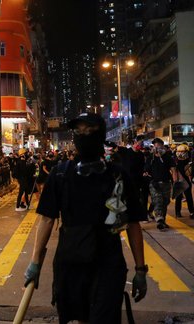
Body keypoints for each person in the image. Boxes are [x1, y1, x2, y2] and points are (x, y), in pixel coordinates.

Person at [24, 113, 147, 324]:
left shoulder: (117, 175)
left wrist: (140, 269)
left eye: (89, 131)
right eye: (79, 131)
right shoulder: (60, 174)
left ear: (100, 135)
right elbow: (46, 219)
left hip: (108, 264)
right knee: (78, 317)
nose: (83, 135)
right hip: (71, 263)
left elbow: (133, 223)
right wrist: (35, 263)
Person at [144, 137, 177, 230]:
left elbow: (173, 169)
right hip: (154, 183)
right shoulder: (151, 158)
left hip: (166, 183)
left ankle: (163, 221)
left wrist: (175, 180)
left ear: (162, 146)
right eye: (155, 146)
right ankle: (159, 220)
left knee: (165, 202)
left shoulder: (167, 157)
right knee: (158, 201)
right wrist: (146, 173)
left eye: (158, 145)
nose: (156, 147)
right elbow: (146, 169)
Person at [174, 144, 194, 218]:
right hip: (179, 181)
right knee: (182, 197)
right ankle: (179, 212)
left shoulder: (188, 161)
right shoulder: (176, 161)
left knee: (187, 197)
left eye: (182, 151)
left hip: (183, 181)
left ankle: (190, 212)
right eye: (179, 151)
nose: (181, 153)